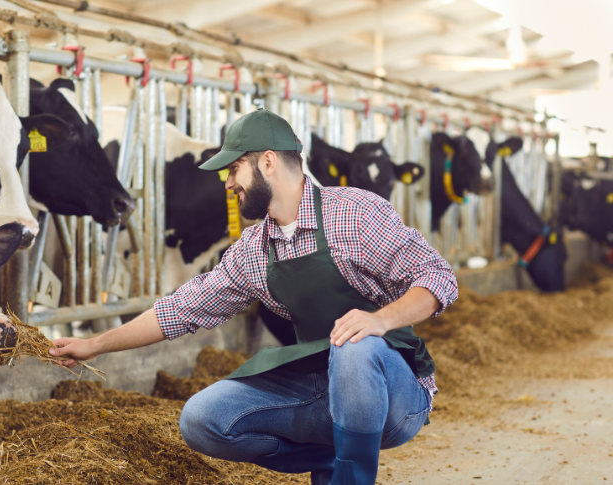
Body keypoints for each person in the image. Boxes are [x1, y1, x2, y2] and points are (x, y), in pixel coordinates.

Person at [50, 109, 458, 485]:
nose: (227, 183)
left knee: (355, 345)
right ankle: (327, 455)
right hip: (323, 385)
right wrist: (95, 344)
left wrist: (380, 320)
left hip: (396, 394)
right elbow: (179, 310)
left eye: (233, 169)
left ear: (267, 162)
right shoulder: (254, 250)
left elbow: (439, 277)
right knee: (202, 419)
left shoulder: (353, 214)